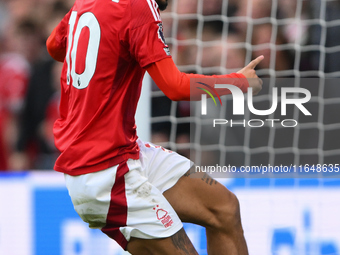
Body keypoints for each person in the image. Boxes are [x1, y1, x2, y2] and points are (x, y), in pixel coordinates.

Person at [46, 0, 263, 254]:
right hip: (104, 172)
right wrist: (238, 82)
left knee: (224, 208)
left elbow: (54, 46)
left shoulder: (85, 3)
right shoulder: (138, 5)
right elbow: (175, 87)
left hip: (124, 153)